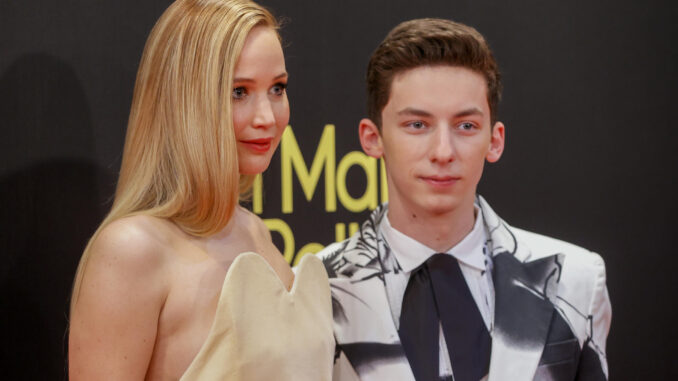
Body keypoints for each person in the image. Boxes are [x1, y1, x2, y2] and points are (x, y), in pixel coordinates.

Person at [318, 18, 611, 381]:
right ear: (372, 137)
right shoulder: (315, 288)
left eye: (466, 126)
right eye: (417, 125)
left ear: (495, 140)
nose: (443, 151)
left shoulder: (577, 280)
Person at [68, 1, 334, 379]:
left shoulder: (254, 231)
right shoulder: (131, 250)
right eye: (239, 92)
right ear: (185, 102)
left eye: (277, 88)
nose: (267, 117)